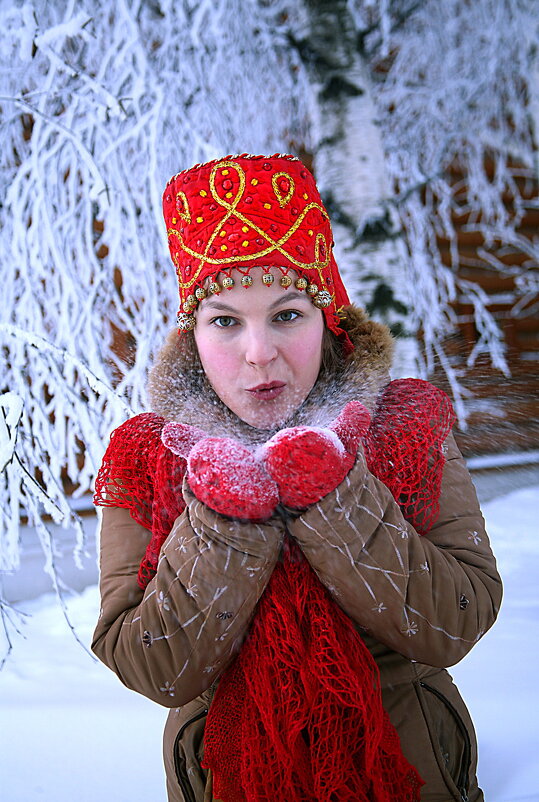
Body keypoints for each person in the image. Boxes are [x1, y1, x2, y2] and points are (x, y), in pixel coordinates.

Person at [92, 153, 502, 802]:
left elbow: (455, 623)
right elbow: (152, 666)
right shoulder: (146, 456)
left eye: (286, 314)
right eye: (224, 320)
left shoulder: (406, 424)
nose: (258, 352)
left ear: (326, 316)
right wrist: (224, 521)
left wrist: (337, 497)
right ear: (192, 334)